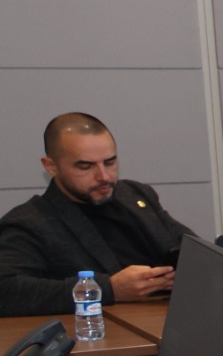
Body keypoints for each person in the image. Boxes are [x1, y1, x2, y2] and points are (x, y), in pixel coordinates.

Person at [0, 113, 197, 315]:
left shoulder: (134, 194)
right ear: (51, 167)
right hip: (112, 327)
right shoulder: (30, 222)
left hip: (176, 313)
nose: (103, 176)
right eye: (85, 166)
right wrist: (108, 289)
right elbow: (5, 291)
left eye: (110, 162)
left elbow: (193, 248)